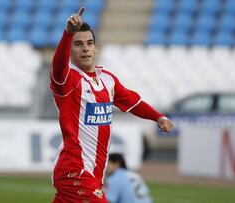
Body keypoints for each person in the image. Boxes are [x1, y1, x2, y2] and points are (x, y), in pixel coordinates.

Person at [50, 7, 173, 203]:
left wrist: (158, 116)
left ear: (96, 48)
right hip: (75, 171)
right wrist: (67, 34)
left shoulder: (107, 80)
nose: (85, 48)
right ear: (70, 51)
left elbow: (133, 101)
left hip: (95, 175)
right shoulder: (68, 81)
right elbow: (58, 67)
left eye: (90, 43)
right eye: (78, 44)